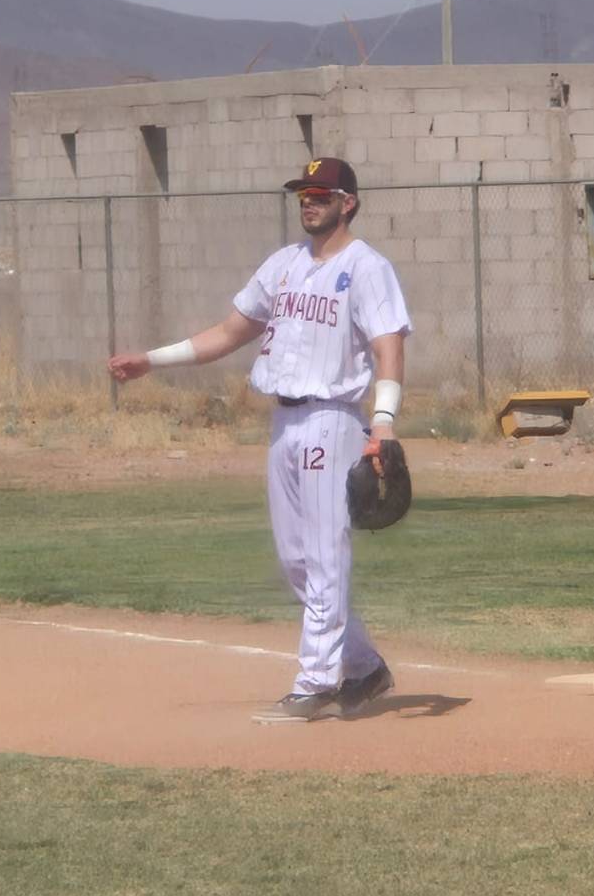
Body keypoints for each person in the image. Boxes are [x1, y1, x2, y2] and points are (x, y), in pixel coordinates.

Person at [108, 156, 412, 723]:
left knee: (324, 554)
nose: (308, 200)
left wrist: (385, 420)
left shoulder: (367, 268)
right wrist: (152, 361)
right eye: (303, 192)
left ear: (347, 202)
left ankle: (317, 681)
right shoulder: (284, 265)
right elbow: (230, 331)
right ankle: (366, 668)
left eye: (320, 192)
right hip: (285, 422)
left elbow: (388, 343)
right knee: (295, 560)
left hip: (331, 419)